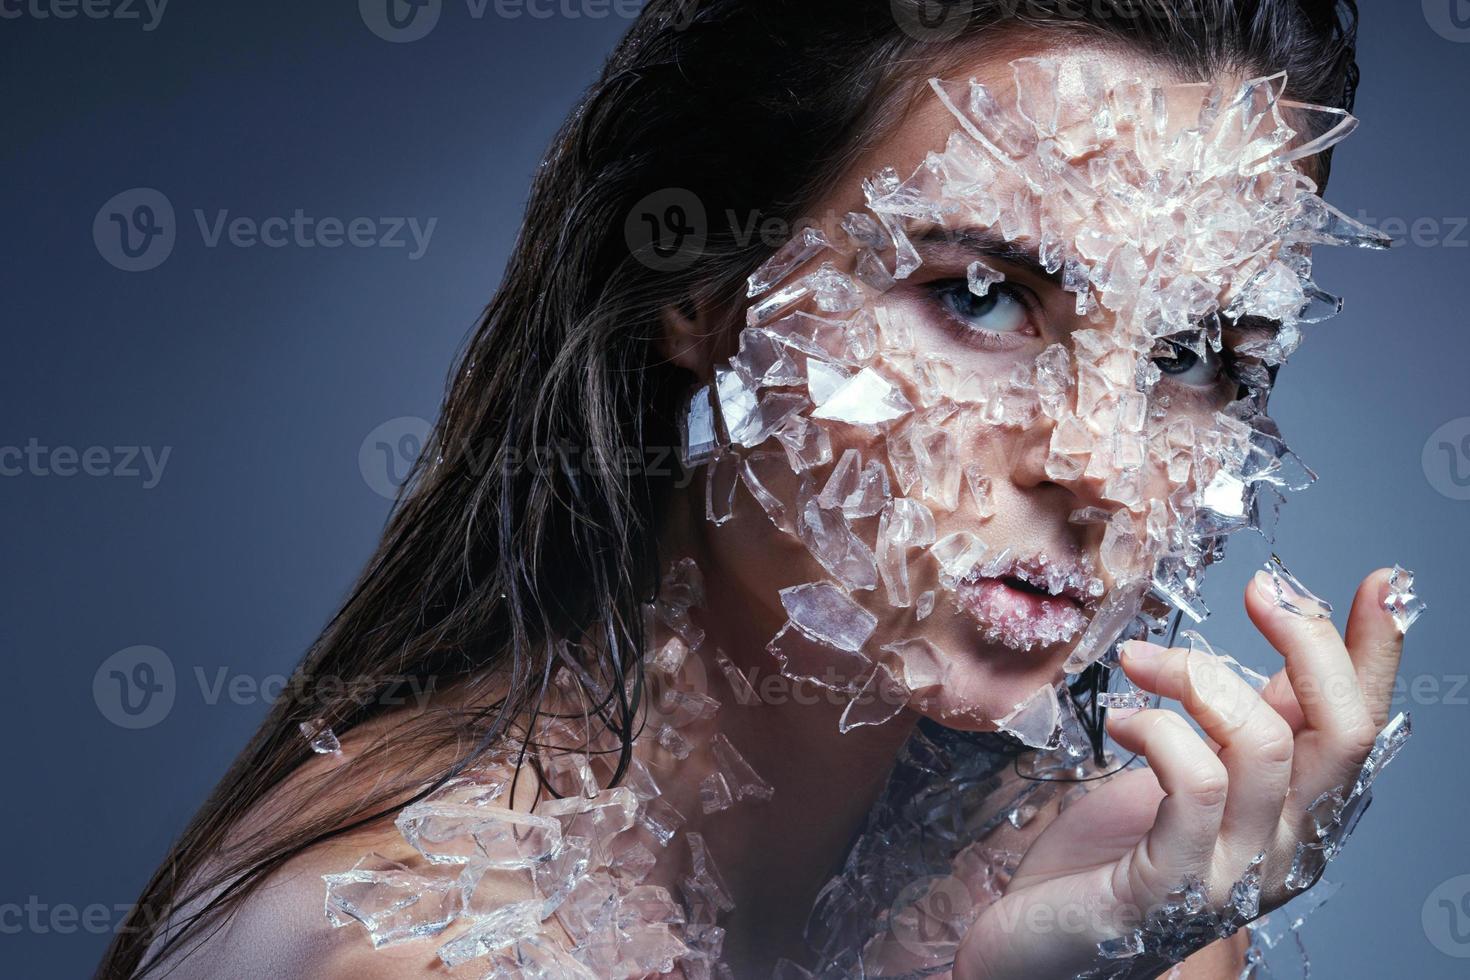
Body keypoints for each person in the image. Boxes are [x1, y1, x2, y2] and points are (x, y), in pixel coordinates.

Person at [99, 2, 1424, 978]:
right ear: (702, 289)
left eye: (1193, 359)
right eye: (977, 296)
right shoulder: (409, 945)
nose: (1103, 467)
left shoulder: (1101, 897)